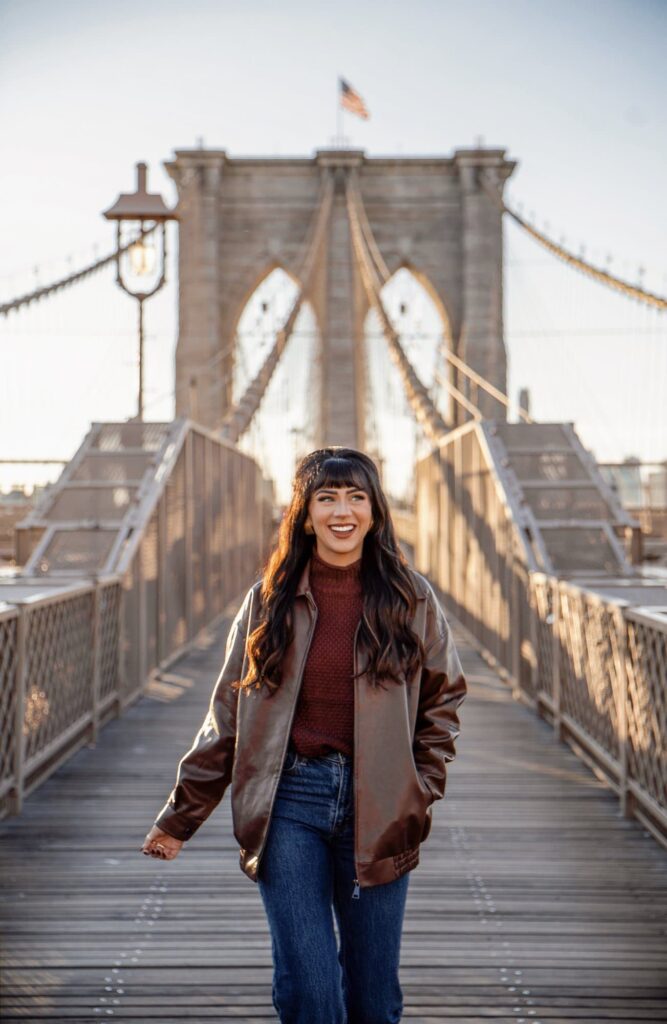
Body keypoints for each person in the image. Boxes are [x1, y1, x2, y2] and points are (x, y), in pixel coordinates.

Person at [141, 446, 467, 1024]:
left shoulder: (411, 597)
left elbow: (444, 698)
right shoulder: (268, 600)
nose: (342, 511)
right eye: (326, 498)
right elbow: (228, 712)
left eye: (356, 497)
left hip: (382, 806)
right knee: (310, 990)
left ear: (374, 511)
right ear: (305, 511)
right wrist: (180, 816)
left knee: (372, 997)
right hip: (289, 804)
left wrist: (419, 784)